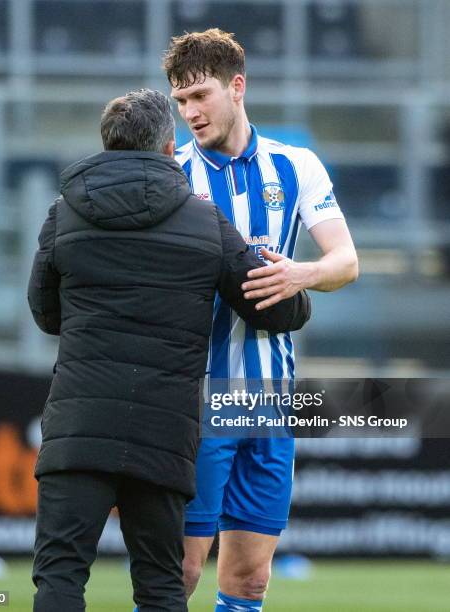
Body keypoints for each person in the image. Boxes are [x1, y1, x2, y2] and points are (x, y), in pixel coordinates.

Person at [27, 88, 311, 612]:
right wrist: (296, 294)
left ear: (108, 144)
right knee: (161, 585)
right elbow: (270, 307)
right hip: (162, 434)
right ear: (168, 146)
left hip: (79, 425)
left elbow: (45, 313)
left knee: (60, 577)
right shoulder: (204, 221)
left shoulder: (64, 213)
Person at [163, 29, 359, 610]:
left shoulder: (295, 166)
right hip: (196, 402)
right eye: (181, 101)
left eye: (200, 95)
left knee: (249, 580)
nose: (191, 112)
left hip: (270, 400)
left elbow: (346, 261)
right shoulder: (170, 175)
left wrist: (299, 275)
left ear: (237, 86)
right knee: (179, 572)